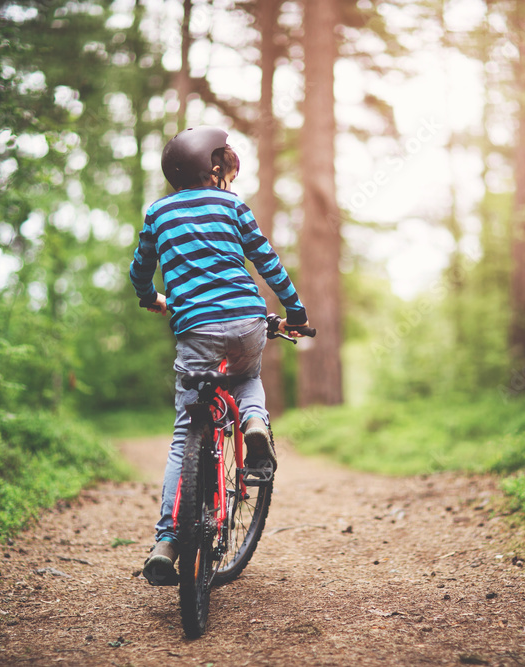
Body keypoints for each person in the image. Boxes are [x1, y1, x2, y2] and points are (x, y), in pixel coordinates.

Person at [130, 126, 310, 586]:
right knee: (248, 378)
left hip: (196, 332)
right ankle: (253, 421)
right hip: (247, 323)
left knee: (183, 433)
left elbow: (140, 268)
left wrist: (150, 297)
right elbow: (265, 258)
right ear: (212, 169)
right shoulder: (232, 205)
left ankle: (167, 541)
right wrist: (295, 309)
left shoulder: (158, 212)